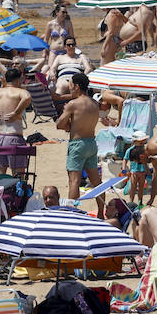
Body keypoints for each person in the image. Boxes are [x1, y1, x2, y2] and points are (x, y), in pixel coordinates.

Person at [57, 74, 103, 213]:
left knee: (74, 181)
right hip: (91, 143)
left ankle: (72, 213)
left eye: (70, 85)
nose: (69, 88)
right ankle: (101, 211)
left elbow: (59, 124)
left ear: (77, 86)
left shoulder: (73, 104)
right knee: (96, 181)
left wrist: (67, 118)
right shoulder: (94, 103)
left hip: (77, 144)